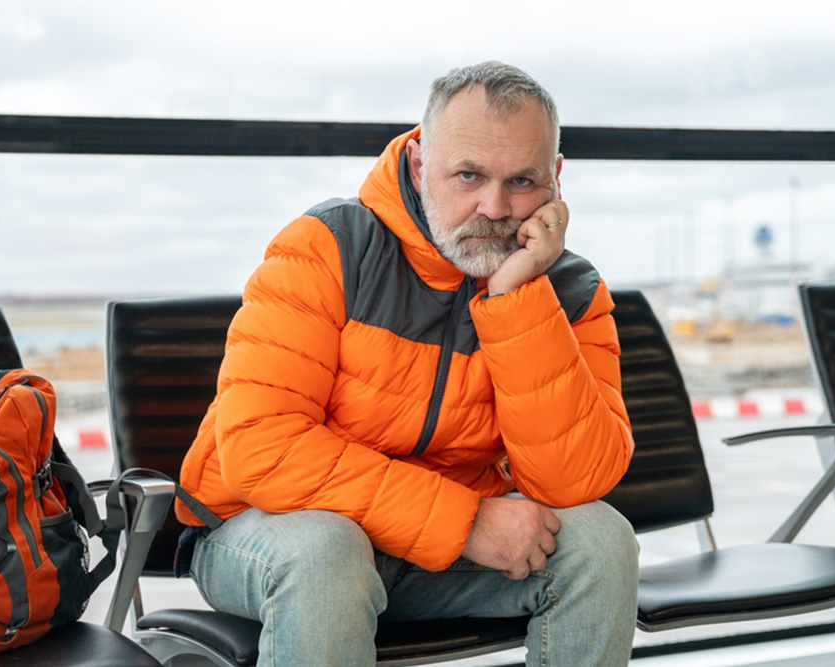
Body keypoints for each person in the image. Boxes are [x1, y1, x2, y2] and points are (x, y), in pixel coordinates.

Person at [175, 61, 639, 666]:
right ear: (421, 166)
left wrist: (517, 298)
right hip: (269, 534)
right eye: (468, 175)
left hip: (431, 556)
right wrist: (465, 521)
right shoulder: (327, 246)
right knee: (327, 551)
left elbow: (575, 483)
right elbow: (261, 446)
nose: (494, 207)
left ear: (555, 178)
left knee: (601, 542)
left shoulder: (571, 291)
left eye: (522, 182)